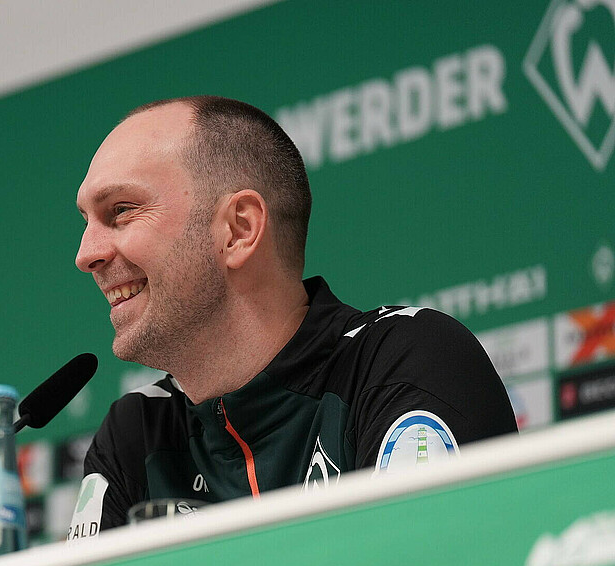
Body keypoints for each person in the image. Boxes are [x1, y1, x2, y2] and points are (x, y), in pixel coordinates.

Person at [66, 96, 517, 539]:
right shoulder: (138, 432)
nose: (86, 255)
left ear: (239, 230)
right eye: (86, 221)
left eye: (121, 211)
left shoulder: (404, 360)